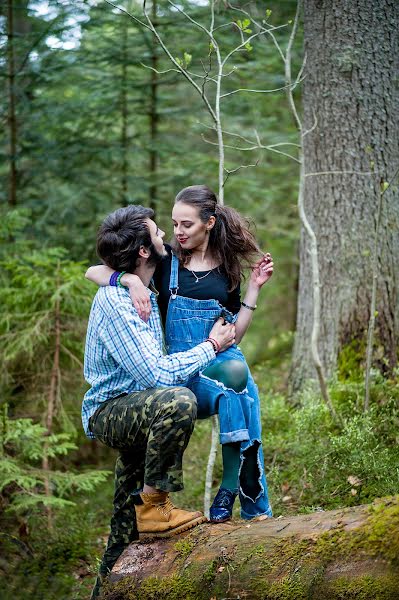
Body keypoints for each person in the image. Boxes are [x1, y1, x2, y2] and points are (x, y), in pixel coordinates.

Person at [86, 185, 274, 525]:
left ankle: (233, 491)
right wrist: (130, 280)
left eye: (186, 224)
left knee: (239, 383)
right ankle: (164, 510)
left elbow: (232, 334)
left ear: (209, 223)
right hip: (179, 368)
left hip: (220, 358)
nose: (177, 232)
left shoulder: (228, 269)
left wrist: (253, 291)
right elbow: (93, 271)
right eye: (173, 225)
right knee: (236, 389)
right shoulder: (166, 260)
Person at [82, 204, 236, 598]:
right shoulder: (117, 303)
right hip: (112, 409)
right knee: (178, 401)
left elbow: (97, 269)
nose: (166, 235)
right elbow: (157, 377)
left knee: (122, 529)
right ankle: (155, 506)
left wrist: (129, 280)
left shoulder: (140, 288)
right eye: (158, 232)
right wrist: (211, 345)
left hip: (138, 408)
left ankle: (106, 588)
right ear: (144, 251)